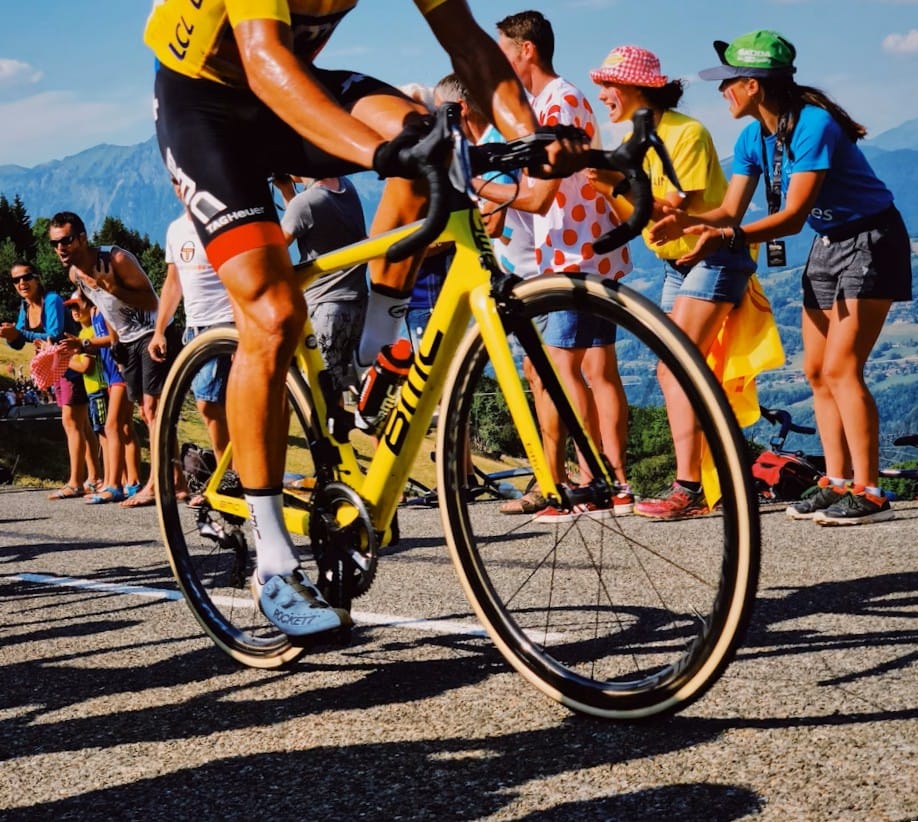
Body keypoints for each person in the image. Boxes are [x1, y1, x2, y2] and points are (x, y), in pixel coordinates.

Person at [143, 0, 587, 638]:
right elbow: (266, 64)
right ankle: (272, 565)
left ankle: (374, 348)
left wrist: (530, 134)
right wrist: (379, 157)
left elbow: (464, 38)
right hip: (204, 108)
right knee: (273, 314)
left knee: (432, 140)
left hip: (288, 82)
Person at [650, 30, 912, 525]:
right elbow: (730, 210)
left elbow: (791, 217)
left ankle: (871, 491)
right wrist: (688, 222)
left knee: (841, 368)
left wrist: (725, 238)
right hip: (829, 243)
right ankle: (836, 482)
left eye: (727, 82)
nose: (720, 91)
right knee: (815, 370)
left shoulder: (814, 126)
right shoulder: (753, 137)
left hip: (873, 239)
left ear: (752, 85)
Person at [587, 45, 757, 519]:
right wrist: (606, 184)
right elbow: (642, 217)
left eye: (609, 85)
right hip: (676, 264)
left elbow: (679, 211)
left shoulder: (686, 133)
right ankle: (702, 480)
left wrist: (611, 183)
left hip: (714, 254)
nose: (602, 95)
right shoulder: (636, 137)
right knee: (675, 369)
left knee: (677, 367)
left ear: (639, 87)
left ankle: (692, 486)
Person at [486, 10, 634, 521]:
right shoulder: (559, 98)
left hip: (571, 252)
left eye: (503, 47)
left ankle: (572, 482)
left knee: (556, 371)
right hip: (587, 247)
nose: (497, 58)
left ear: (526, 50)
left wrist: (475, 185)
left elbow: (538, 198)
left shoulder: (556, 101)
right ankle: (615, 482)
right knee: (598, 370)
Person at [49, 211, 178, 509]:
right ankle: (177, 480)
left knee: (151, 410)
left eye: (67, 240)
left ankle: (158, 482)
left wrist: (113, 288)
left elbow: (152, 302)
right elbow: (104, 309)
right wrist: (115, 345)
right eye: (56, 243)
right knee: (146, 415)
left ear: (83, 237)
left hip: (153, 332)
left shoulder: (116, 260)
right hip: (126, 343)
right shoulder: (75, 275)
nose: (61, 248)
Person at [151, 180, 234, 470]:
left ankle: (237, 474)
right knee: (211, 406)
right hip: (195, 328)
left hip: (227, 322)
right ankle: (230, 473)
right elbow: (173, 283)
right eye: (175, 181)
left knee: (213, 404)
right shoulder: (175, 229)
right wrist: (159, 330)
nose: (180, 187)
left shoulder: (220, 219)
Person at [2, 261, 99, 499]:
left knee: (71, 422)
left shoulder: (52, 300)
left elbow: (54, 335)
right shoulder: (26, 306)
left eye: (26, 277)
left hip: (71, 365)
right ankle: (94, 478)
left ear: (37, 278)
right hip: (57, 368)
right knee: (82, 425)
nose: (22, 283)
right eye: (16, 280)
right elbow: (18, 341)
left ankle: (76, 481)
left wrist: (19, 333)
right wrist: (9, 335)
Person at [273, 174, 368, 400]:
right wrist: (288, 193)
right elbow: (307, 220)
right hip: (357, 304)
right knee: (351, 391)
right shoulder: (346, 187)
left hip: (325, 309)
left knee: (322, 394)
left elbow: (276, 248)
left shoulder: (304, 203)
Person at [63, 292, 107, 502]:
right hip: (92, 390)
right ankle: (102, 478)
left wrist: (63, 359)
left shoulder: (89, 333)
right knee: (99, 431)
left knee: (105, 433)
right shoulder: (82, 332)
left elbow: (85, 366)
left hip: (98, 387)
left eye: (78, 306)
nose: (74, 312)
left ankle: (108, 479)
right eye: (71, 308)